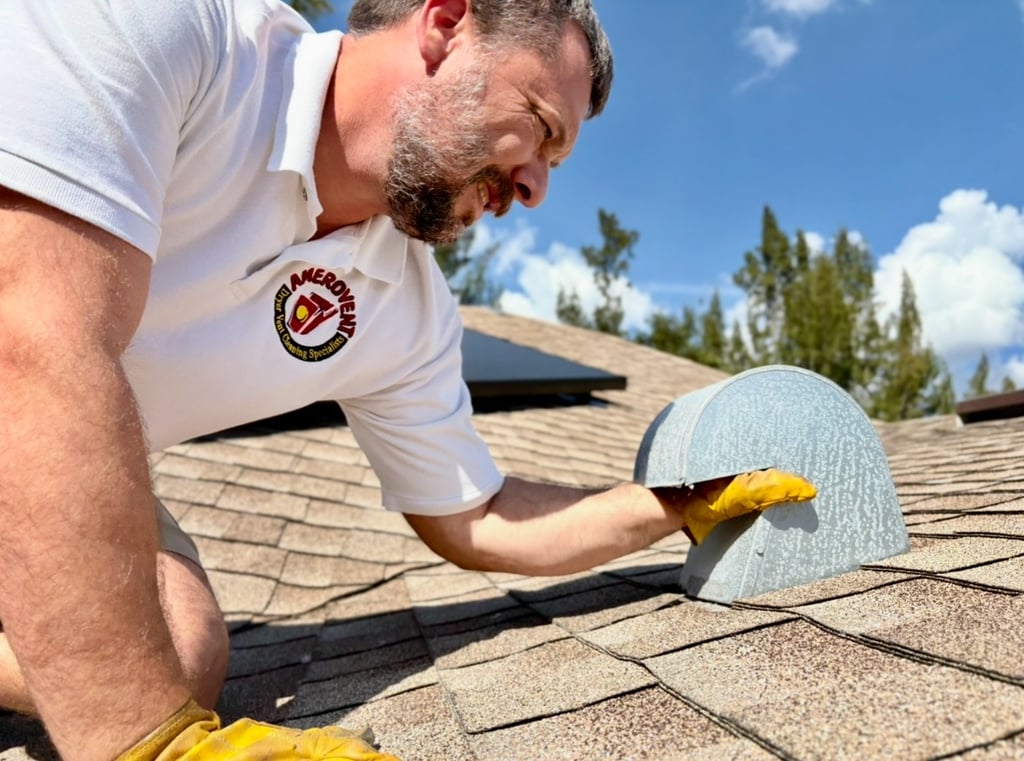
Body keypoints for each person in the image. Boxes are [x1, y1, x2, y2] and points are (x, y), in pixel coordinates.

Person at [0, 0, 816, 758]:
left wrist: (676, 504)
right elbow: (32, 335)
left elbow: (481, 516)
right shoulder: (170, 29)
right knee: (129, 681)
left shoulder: (403, 304)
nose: (534, 188)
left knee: (177, 647)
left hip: (36, 446)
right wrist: (149, 739)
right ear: (447, 21)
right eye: (539, 127)